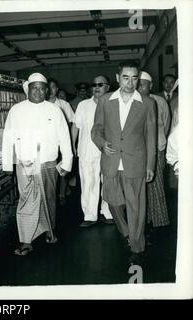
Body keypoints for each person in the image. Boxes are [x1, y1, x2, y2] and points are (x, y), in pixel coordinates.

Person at [91, 61, 157, 266]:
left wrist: (150, 166)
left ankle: (137, 247)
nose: (130, 82)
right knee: (112, 202)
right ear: (118, 78)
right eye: (126, 77)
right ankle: (128, 233)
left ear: (138, 78)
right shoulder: (104, 101)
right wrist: (102, 144)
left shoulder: (147, 103)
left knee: (136, 207)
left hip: (135, 163)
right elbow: (96, 129)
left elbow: (151, 137)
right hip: (111, 162)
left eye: (134, 77)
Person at [2, 73, 73, 256]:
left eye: (42, 88)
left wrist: (67, 161)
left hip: (48, 163)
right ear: (28, 89)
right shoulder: (16, 110)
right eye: (35, 88)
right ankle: (26, 241)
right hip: (25, 164)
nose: (38, 92)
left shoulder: (55, 110)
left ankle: (49, 230)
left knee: (49, 199)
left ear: (47, 90)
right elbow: (8, 138)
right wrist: (8, 164)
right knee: (27, 200)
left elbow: (64, 137)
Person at [71, 75, 114, 227]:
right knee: (88, 183)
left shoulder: (113, 104)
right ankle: (89, 216)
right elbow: (75, 126)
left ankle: (107, 212)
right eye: (94, 84)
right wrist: (72, 146)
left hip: (108, 151)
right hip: (86, 151)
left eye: (101, 84)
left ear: (108, 87)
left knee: (108, 182)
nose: (96, 87)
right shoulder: (83, 105)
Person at [138, 71, 170, 237]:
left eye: (143, 84)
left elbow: (166, 125)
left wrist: (159, 145)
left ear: (150, 86)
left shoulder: (160, 102)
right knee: (140, 187)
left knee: (156, 186)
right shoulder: (132, 103)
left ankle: (160, 223)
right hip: (137, 152)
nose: (139, 87)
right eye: (138, 84)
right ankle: (146, 220)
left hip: (156, 149)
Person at [47, 78, 75, 204]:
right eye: (49, 87)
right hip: (48, 144)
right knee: (51, 170)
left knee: (63, 168)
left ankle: (62, 193)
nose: (51, 90)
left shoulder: (64, 105)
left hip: (62, 142)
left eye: (54, 87)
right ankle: (51, 194)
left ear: (57, 89)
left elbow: (72, 123)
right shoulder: (43, 105)